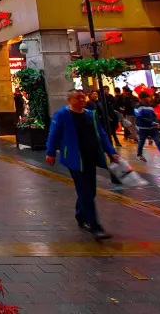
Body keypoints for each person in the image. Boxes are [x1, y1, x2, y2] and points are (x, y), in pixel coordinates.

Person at [46, 89, 120, 241]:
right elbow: (54, 134)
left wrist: (111, 152)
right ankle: (95, 227)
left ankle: (80, 214)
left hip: (91, 156)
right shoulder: (62, 115)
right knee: (86, 191)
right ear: (69, 100)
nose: (82, 100)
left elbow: (102, 134)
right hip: (74, 159)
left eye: (83, 97)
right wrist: (50, 152)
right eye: (78, 98)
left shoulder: (90, 114)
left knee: (90, 191)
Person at [134, 92, 160, 164]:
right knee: (141, 141)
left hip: (152, 128)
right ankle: (139, 154)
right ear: (143, 98)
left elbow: (154, 116)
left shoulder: (150, 106)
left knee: (158, 142)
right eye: (148, 97)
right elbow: (140, 118)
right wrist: (152, 122)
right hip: (143, 128)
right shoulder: (138, 107)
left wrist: (156, 123)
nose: (150, 98)